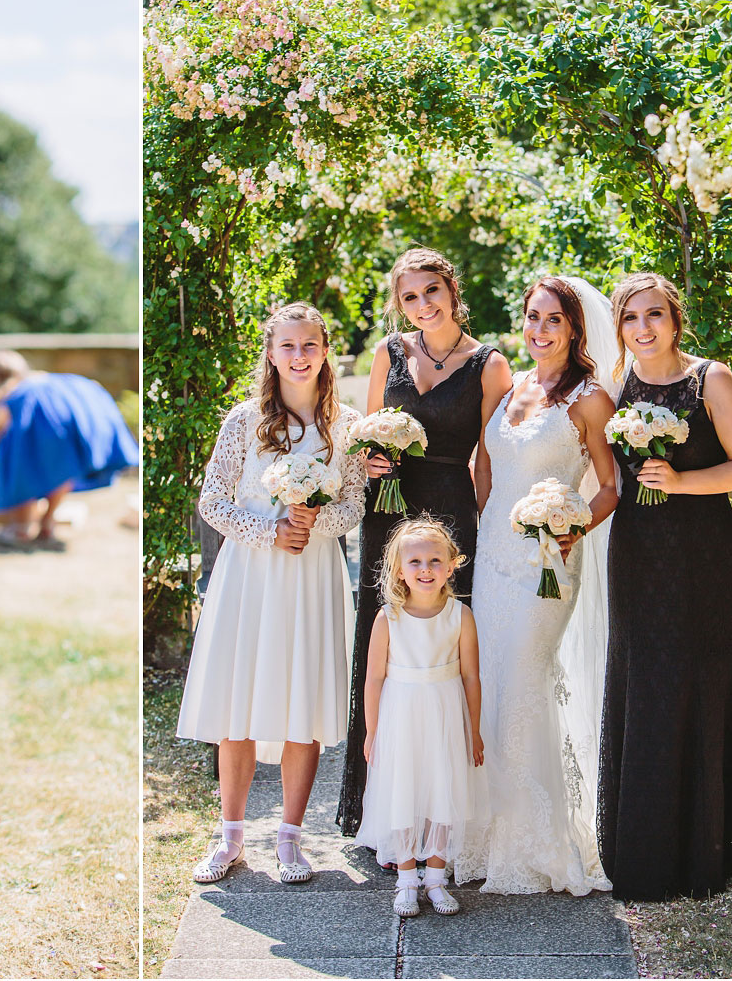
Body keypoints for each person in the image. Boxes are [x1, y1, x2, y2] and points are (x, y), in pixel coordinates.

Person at [599, 272, 732, 899]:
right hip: (636, 551)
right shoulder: (615, 385)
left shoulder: (712, 379)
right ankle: (643, 845)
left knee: (698, 673)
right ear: (619, 327)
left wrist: (679, 482)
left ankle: (713, 843)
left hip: (698, 550)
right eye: (630, 318)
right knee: (642, 674)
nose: (643, 329)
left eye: (654, 315)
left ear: (675, 320)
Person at [175, 302, 366, 884]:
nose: (299, 356)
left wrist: (312, 526)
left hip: (311, 576)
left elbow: (354, 508)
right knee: (238, 700)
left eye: (310, 345)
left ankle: (290, 838)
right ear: (271, 352)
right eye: (288, 346)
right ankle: (230, 837)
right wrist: (269, 531)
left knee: (301, 705)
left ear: (326, 350)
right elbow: (212, 500)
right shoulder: (244, 421)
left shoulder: (347, 426)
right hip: (249, 573)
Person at [453, 275, 619, 896]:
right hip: (493, 555)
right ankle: (484, 838)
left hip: (546, 563)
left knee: (521, 683)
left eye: (553, 320)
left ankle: (535, 846)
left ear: (575, 329)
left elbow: (610, 485)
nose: (540, 330)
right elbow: (487, 469)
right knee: (487, 683)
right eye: (532, 317)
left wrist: (575, 527)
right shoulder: (513, 388)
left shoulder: (589, 399)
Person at [338, 247, 511, 838]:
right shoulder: (388, 354)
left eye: (430, 292)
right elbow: (365, 438)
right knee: (382, 638)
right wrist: (372, 463)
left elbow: (487, 459)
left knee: (443, 639)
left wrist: (487, 525)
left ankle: (445, 811)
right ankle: (377, 807)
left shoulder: (489, 366)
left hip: (451, 508)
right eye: (409, 297)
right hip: (388, 512)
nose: (421, 305)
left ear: (452, 289)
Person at [356, 517, 488, 917]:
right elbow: (374, 678)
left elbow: (470, 676)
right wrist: (372, 731)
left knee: (441, 791)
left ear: (451, 565)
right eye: (415, 562)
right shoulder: (388, 618)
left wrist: (475, 731)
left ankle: (436, 876)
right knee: (404, 791)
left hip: (445, 715)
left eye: (435, 560)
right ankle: (407, 879)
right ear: (399, 569)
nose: (425, 569)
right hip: (401, 715)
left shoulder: (460, 616)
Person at [0, 349, 138, 543]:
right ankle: (47, 521)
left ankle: (21, 526)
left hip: (42, 442)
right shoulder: (43, 385)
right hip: (71, 424)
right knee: (61, 464)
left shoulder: (5, 404)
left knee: (14, 458)